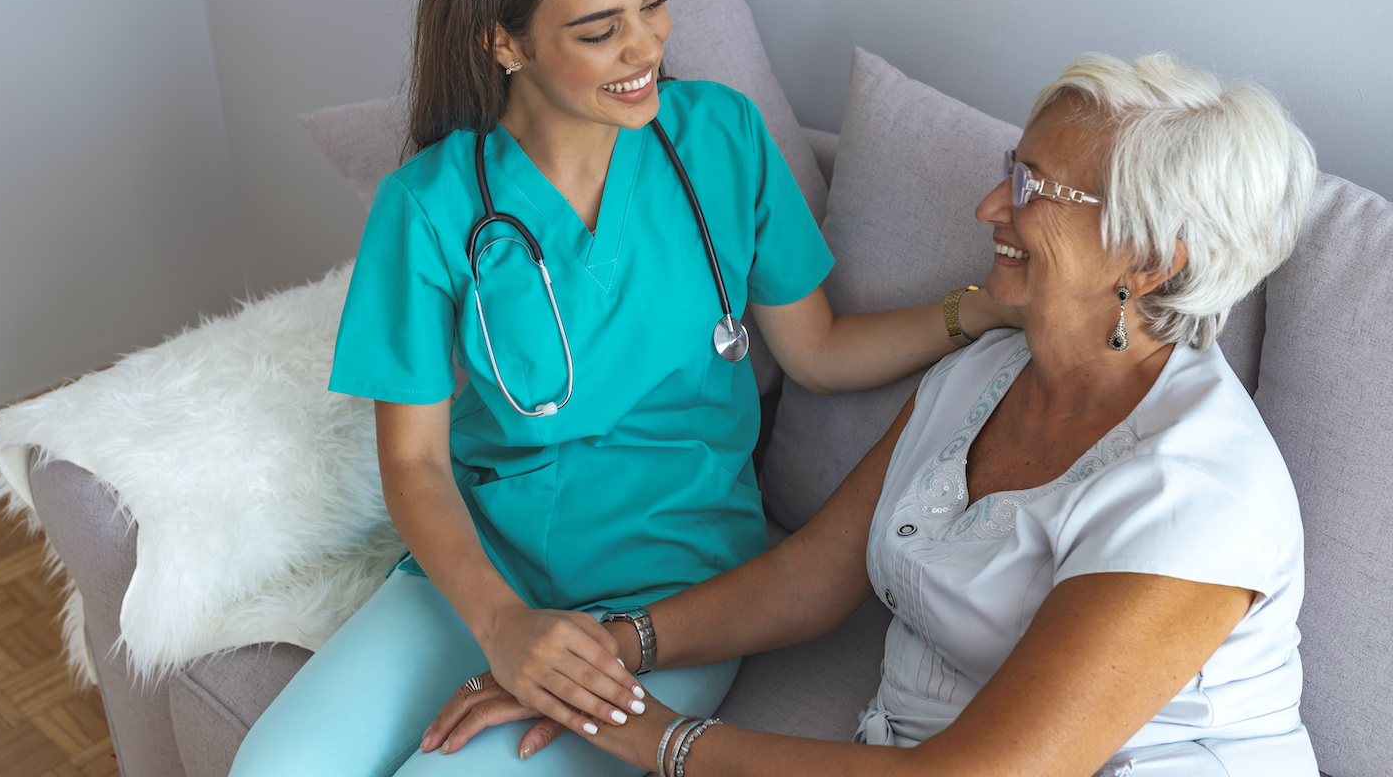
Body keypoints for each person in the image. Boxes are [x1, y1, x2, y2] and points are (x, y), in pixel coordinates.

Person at [228, 0, 1014, 777]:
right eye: (601, 30)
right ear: (504, 42)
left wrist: (984, 309)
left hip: (675, 588)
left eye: (651, 3)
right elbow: (414, 460)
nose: (646, 47)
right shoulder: (430, 206)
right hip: (484, 576)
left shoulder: (719, 139)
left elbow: (821, 351)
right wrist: (502, 621)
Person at [427, 53, 1321, 776]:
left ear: (1151, 258)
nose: (989, 207)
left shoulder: (1198, 494)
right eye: (1011, 170)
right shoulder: (989, 370)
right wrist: (605, 657)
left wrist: (641, 732)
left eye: (1035, 188)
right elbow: (808, 578)